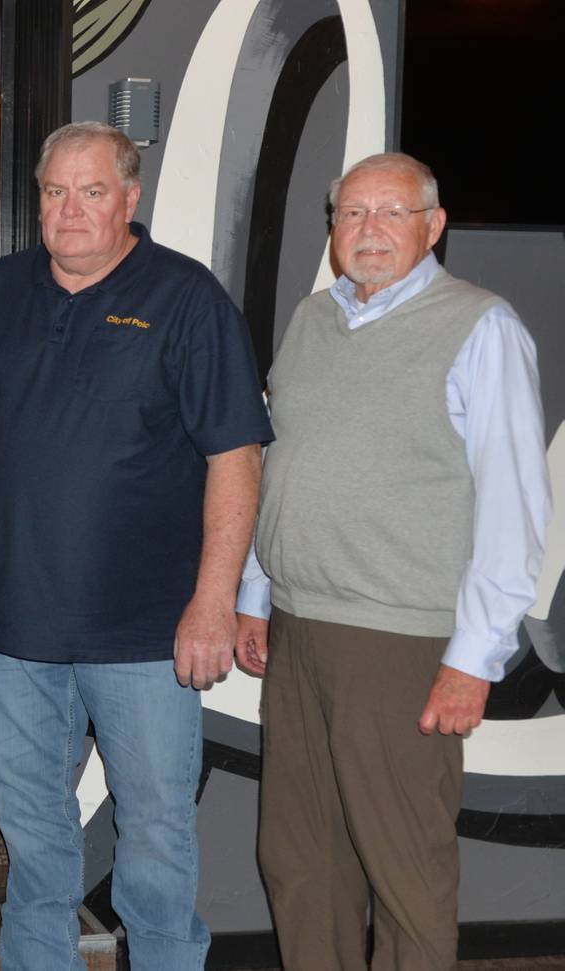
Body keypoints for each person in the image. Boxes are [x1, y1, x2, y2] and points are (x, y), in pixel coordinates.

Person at [0, 121, 274, 969]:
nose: (71, 210)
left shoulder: (187, 299)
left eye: (92, 192)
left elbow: (237, 458)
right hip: (15, 628)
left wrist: (213, 601)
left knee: (155, 832)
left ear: (130, 198)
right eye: (54, 192)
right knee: (34, 832)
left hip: (148, 634)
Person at [235, 152, 551, 970]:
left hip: (402, 644)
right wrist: (256, 595)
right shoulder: (312, 320)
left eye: (391, 214)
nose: (368, 231)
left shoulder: (481, 327)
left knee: (403, 871)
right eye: (351, 214)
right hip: (299, 633)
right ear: (332, 228)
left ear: (433, 226)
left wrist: (473, 659)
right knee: (302, 862)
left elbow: (515, 509)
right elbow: (282, 467)